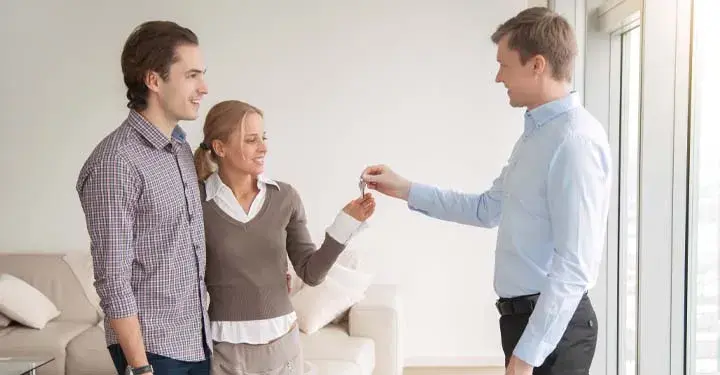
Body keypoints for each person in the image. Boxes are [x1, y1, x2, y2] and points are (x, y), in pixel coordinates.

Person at [361, 7, 611, 375]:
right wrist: (404, 189)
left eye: (505, 65)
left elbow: (575, 266)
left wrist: (527, 356)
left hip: (554, 330)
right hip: (522, 320)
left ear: (537, 64)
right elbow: (487, 208)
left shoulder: (574, 142)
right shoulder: (538, 135)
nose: (498, 77)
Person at [193, 100, 375, 375]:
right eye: (251, 140)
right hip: (224, 347)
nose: (263, 147)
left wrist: (345, 224)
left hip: (282, 345)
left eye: (263, 138)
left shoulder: (284, 197)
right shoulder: (197, 201)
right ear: (220, 148)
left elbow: (311, 273)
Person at [76, 21, 211, 375]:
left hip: (196, 339)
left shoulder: (180, 147)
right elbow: (112, 277)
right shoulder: (115, 163)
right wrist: (139, 368)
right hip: (153, 352)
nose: (204, 88)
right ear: (154, 80)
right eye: (192, 75)